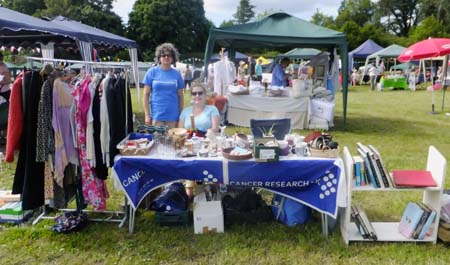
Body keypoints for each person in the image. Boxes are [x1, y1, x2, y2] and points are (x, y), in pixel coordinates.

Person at [142, 43, 185, 129]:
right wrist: (147, 115)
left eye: (169, 55)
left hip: (173, 116)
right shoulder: (151, 72)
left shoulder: (177, 74)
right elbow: (146, 95)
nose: (166, 57)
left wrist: (180, 115)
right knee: (157, 141)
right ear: (159, 58)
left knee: (172, 141)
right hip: (156, 115)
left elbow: (181, 96)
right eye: (163, 55)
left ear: (173, 58)